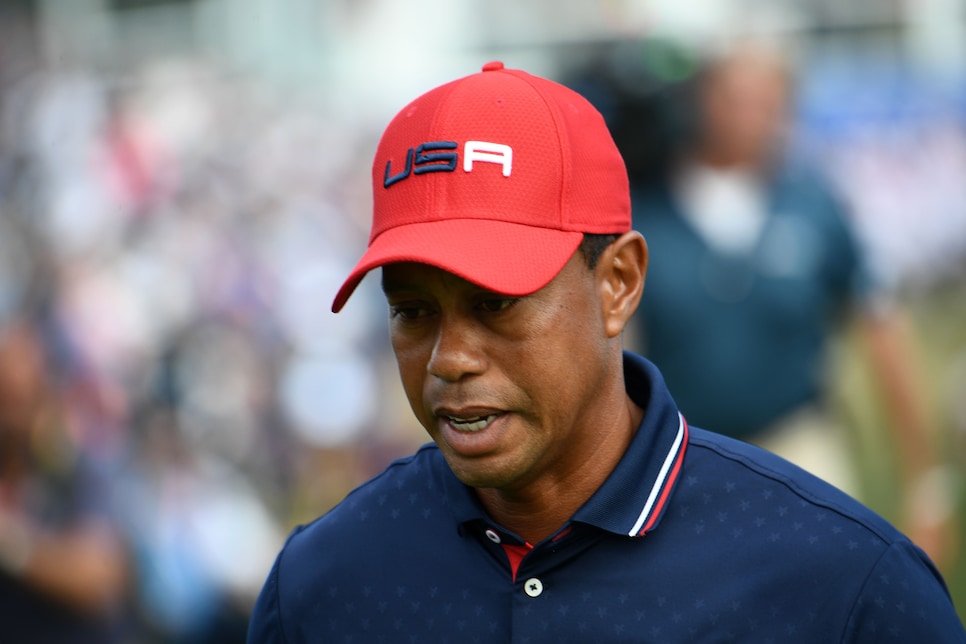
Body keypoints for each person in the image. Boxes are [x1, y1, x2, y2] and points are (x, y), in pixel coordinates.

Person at [247, 61, 965, 642]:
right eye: (411, 310)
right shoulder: (320, 584)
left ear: (617, 283)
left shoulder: (845, 586)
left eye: (497, 302)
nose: (449, 358)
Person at [629, 42, 957, 567]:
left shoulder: (814, 204)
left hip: (795, 443)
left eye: (766, 100)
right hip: (679, 451)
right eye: (733, 96)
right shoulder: (645, 208)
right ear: (700, 98)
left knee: (823, 592)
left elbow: (883, 333)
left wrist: (926, 479)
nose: (748, 115)